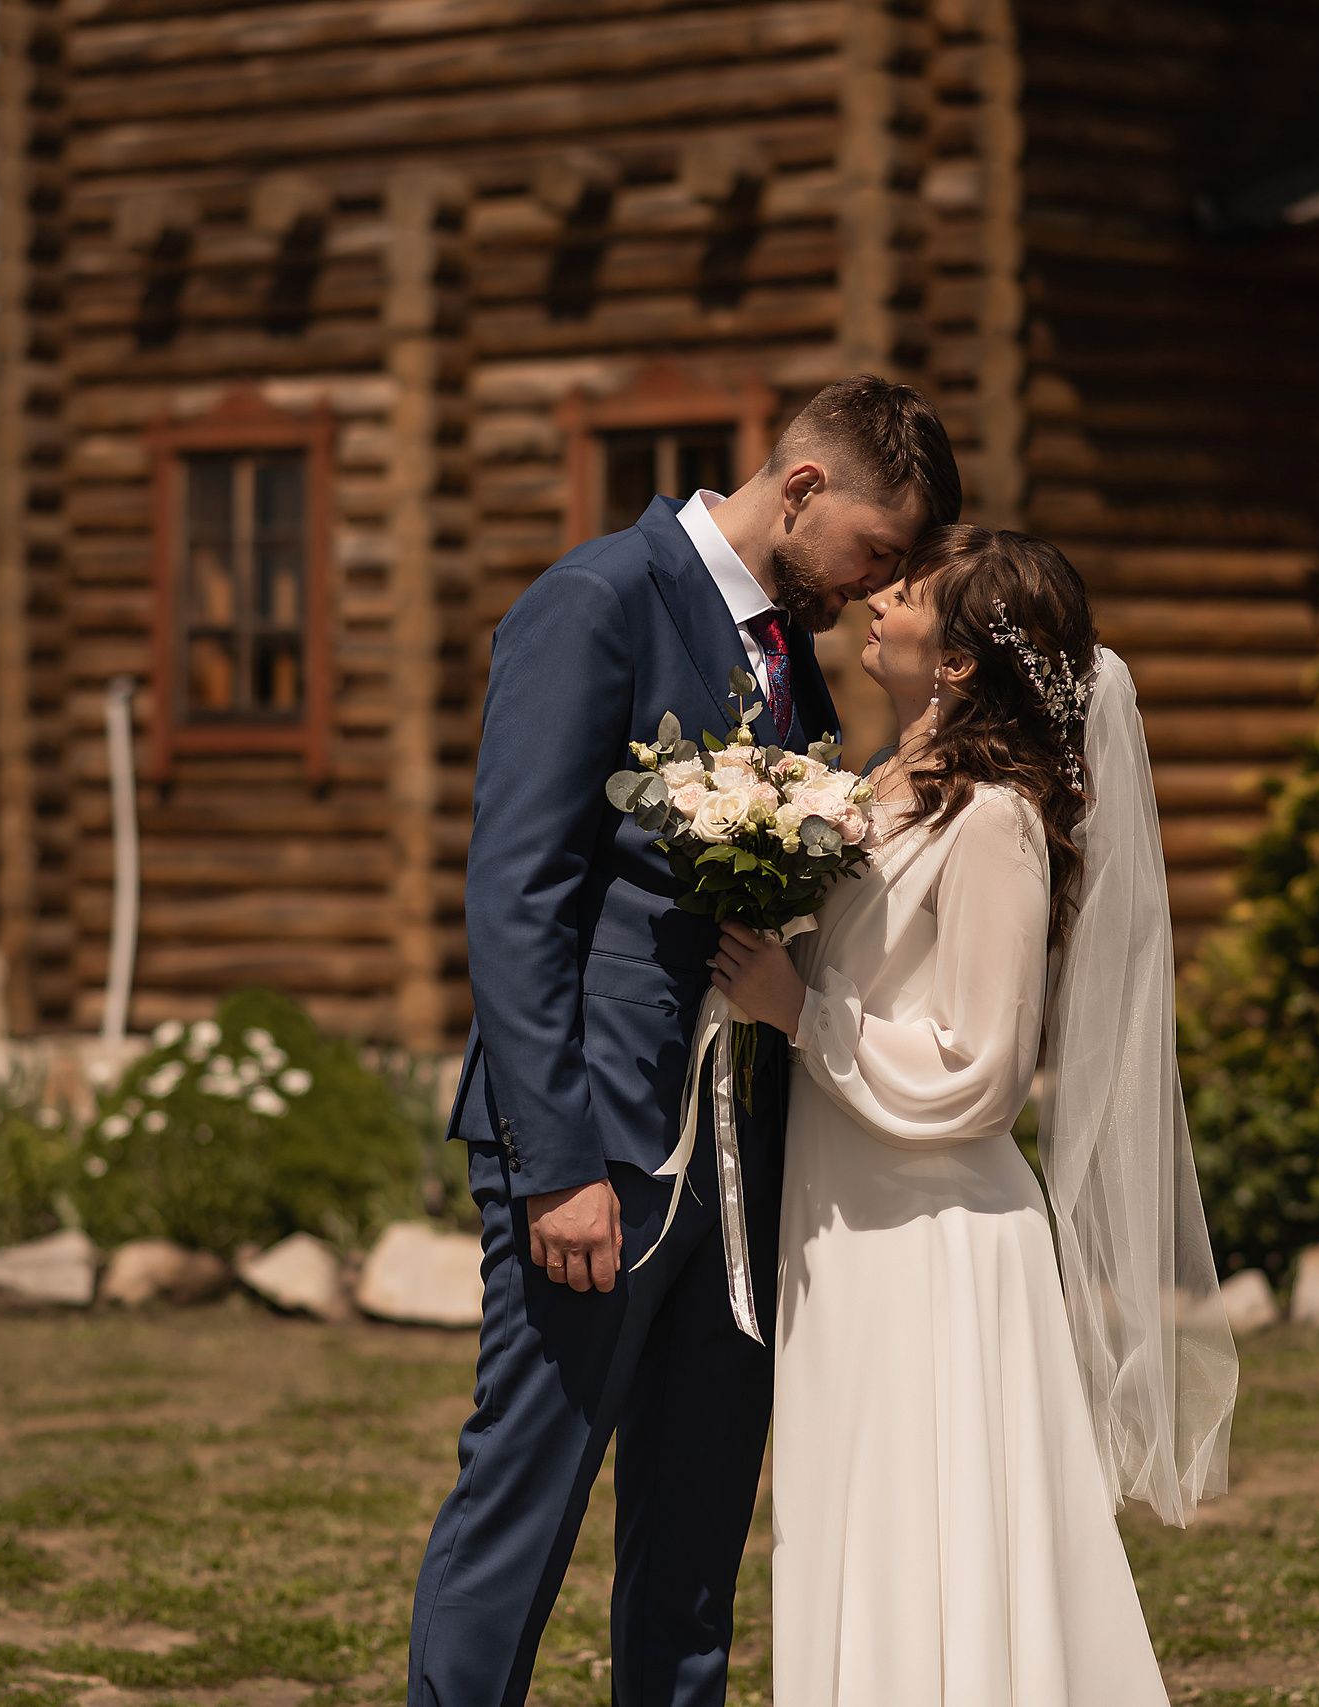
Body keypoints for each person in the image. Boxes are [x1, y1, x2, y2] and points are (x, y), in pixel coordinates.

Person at [409, 376, 963, 1707]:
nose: (872, 586)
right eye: (874, 553)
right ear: (807, 487)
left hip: (739, 1157)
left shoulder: (787, 651)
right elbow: (518, 891)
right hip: (597, 1144)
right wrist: (557, 1161)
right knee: (528, 1497)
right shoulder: (597, 601)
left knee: (700, 1517)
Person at [711, 526, 1241, 1706]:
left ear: (955, 662)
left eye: (902, 592)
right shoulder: (879, 784)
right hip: (848, 1216)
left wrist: (800, 1014)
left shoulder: (996, 819)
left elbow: (983, 1072)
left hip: (932, 1239)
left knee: (925, 1528)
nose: (876, 600)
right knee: (850, 1515)